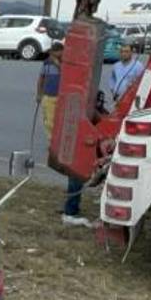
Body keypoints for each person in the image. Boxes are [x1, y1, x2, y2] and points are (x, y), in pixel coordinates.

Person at [35, 42, 91, 227]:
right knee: (50, 123)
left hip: (62, 98)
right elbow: (41, 79)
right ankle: (53, 143)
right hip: (50, 98)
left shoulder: (64, 64)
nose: (60, 53)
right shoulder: (47, 64)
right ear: (52, 51)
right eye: (58, 51)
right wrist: (39, 94)